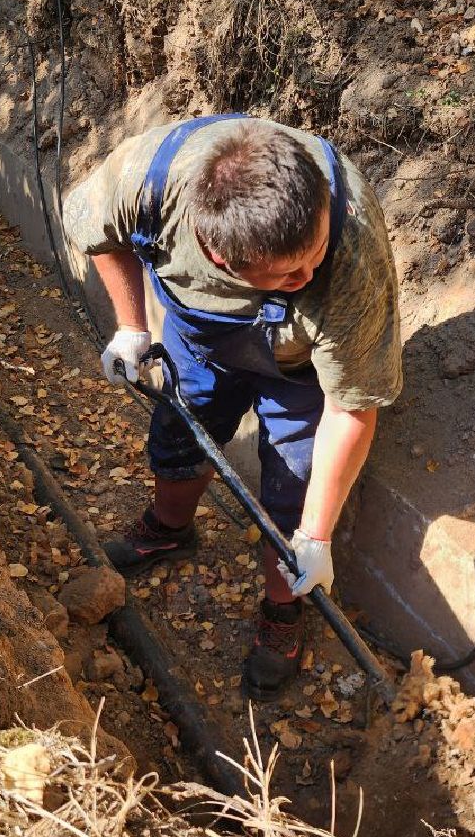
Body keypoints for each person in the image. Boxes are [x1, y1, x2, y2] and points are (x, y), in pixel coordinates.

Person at [64, 114, 402, 698]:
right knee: (178, 436)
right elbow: (98, 233)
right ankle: (169, 530)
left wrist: (315, 537)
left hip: (301, 368)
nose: (308, 273)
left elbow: (351, 406)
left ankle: (283, 608)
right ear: (220, 259)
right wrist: (131, 327)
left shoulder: (351, 251)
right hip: (202, 341)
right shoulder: (149, 179)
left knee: (292, 486)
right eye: (287, 275)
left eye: (314, 252)